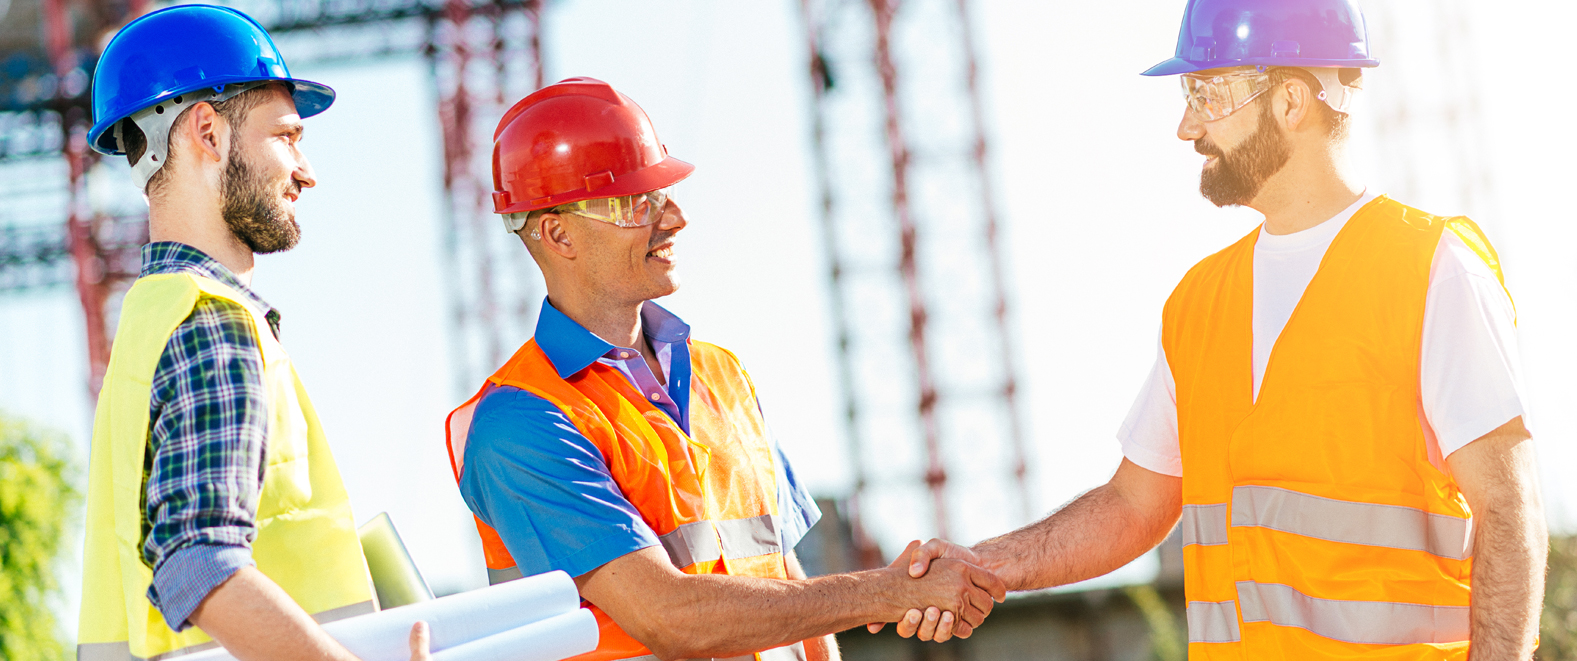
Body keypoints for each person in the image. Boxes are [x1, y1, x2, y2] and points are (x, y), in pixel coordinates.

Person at [887, 0, 1548, 657]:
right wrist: (984, 562)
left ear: (1291, 101)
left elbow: (1508, 509)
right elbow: (1132, 503)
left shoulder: (1430, 269)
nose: (1185, 126)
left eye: (1206, 93)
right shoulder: (1198, 302)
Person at [447, 77, 1004, 661]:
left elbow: (789, 583)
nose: (676, 219)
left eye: (664, 195)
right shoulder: (521, 423)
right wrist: (885, 593)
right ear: (559, 233)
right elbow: (667, 617)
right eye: (639, 202)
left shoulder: (721, 375)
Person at [77, 6, 430, 660]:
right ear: (207, 133)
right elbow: (199, 562)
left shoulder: (152, 318)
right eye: (287, 136)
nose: (306, 169)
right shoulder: (211, 319)